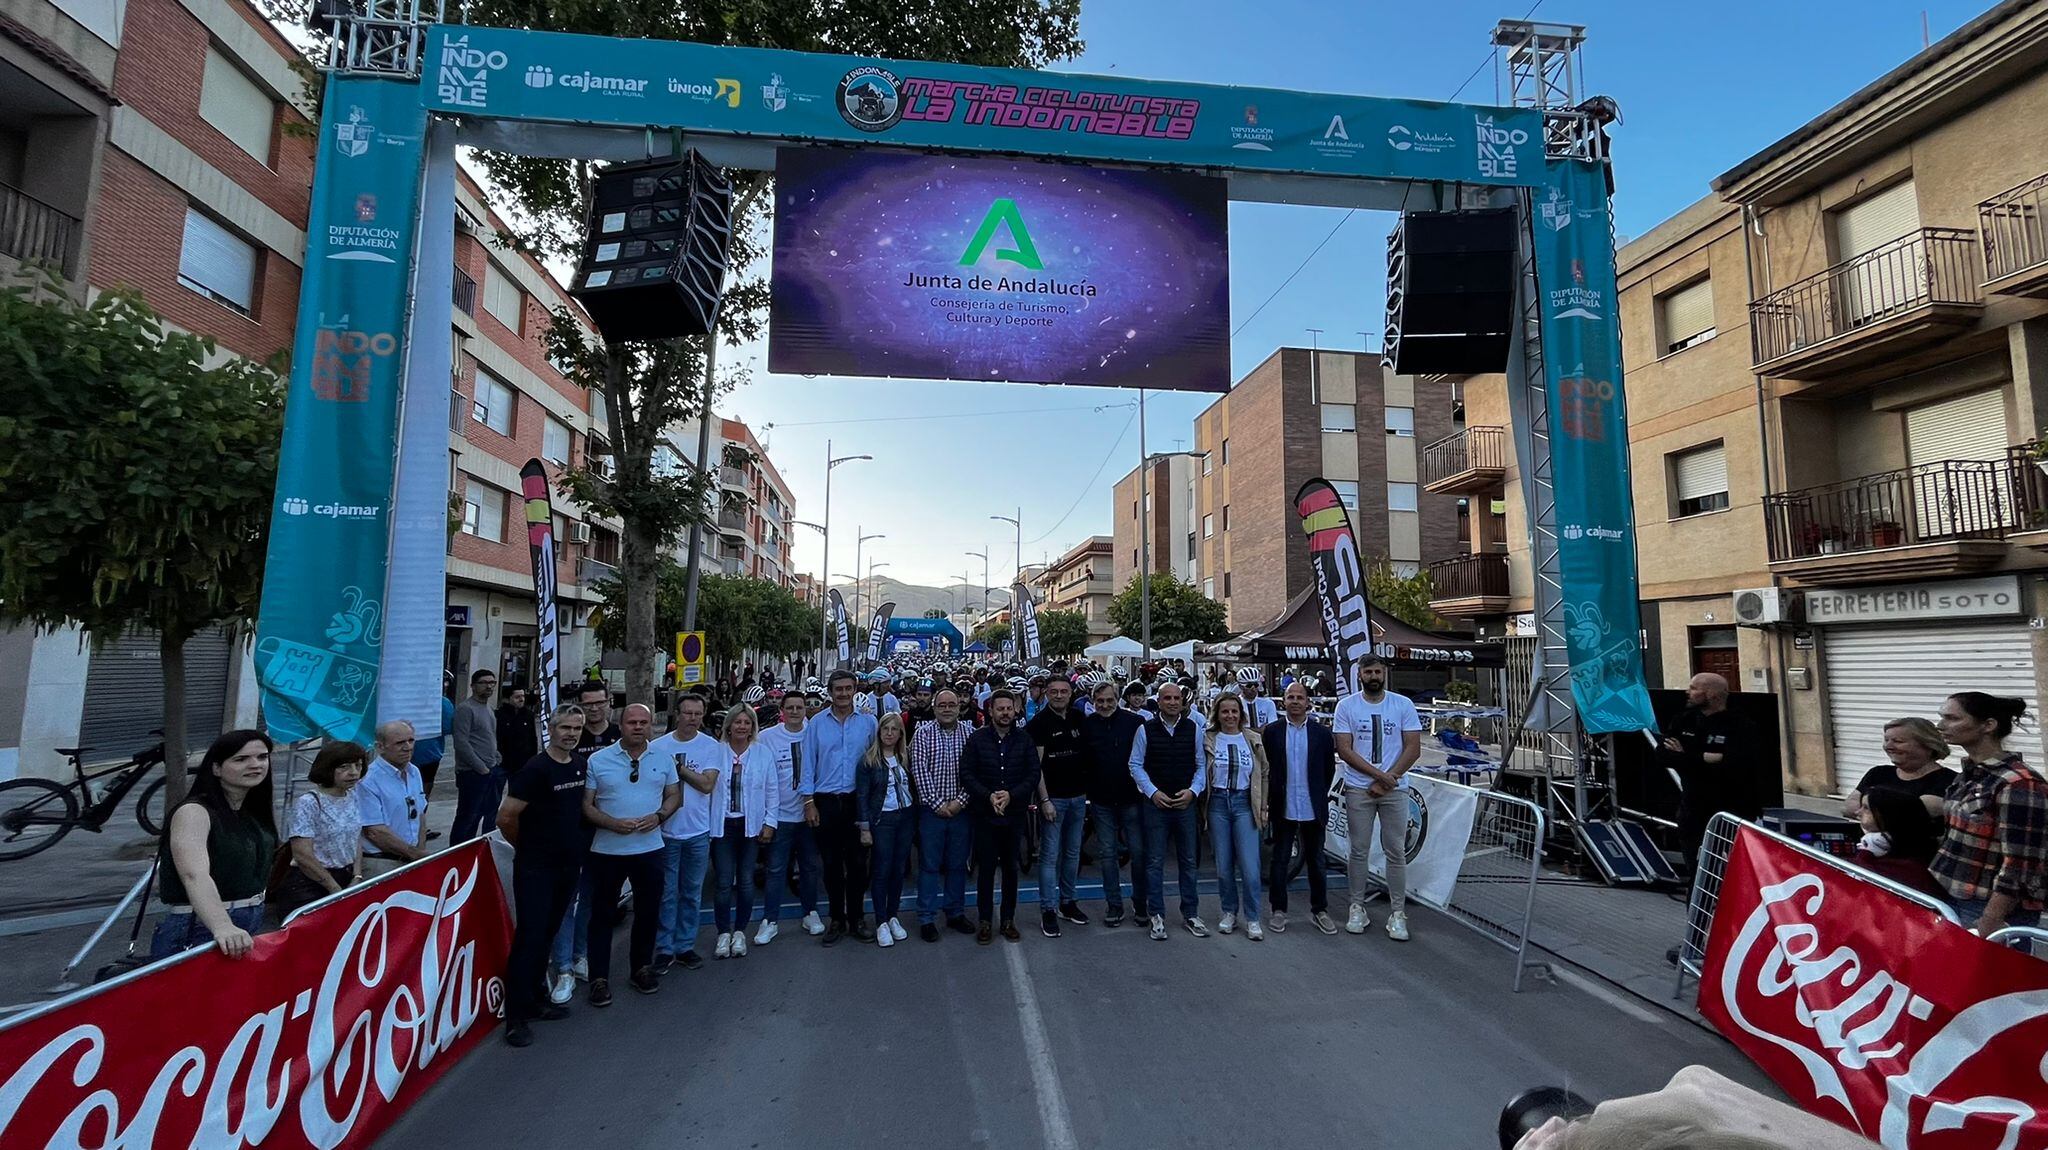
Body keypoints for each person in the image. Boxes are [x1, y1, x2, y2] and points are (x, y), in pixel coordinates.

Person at [498, 705, 591, 1047]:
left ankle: (535, 1001)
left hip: (568, 866)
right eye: (564, 727)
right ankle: (515, 1017)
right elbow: (506, 817)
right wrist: (529, 849)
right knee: (530, 938)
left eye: (576, 729)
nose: (570, 733)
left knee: (547, 935)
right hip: (537, 868)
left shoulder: (580, 766)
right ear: (551, 728)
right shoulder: (534, 769)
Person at [151, 730, 278, 959]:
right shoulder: (194, 812)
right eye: (241, 759)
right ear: (216, 768)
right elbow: (194, 874)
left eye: (262, 757)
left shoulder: (253, 812)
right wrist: (222, 925)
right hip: (200, 927)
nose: (255, 765)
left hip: (248, 921)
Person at [583, 703, 679, 1003]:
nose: (638, 727)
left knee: (648, 913)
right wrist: (611, 823)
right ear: (620, 724)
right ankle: (598, 978)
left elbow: (674, 794)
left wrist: (660, 816)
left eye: (643, 722)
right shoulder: (598, 760)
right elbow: (587, 804)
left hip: (649, 849)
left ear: (651, 725)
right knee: (601, 915)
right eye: (632, 722)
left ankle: (641, 968)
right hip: (607, 851)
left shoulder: (663, 758)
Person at [1931, 691, 2048, 934]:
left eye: (1952, 718)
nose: (1941, 725)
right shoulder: (1974, 773)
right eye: (1942, 717)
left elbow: (2021, 864)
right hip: (1952, 894)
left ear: (1988, 725)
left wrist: (1991, 919)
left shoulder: (2019, 783)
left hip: (1988, 907)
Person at [1332, 653, 1422, 942]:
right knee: (1358, 849)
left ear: (1385, 674)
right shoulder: (1346, 706)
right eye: (1368, 672)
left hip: (1395, 788)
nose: (1374, 677)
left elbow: (1413, 748)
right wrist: (1377, 776)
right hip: (1360, 787)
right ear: (1359, 675)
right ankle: (1357, 906)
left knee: (1395, 849)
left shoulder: (1402, 704)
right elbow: (1345, 750)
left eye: (1378, 672)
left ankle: (1398, 912)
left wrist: (1389, 778)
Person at [801, 669, 880, 945]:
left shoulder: (869, 722)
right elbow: (808, 763)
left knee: (858, 864)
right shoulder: (816, 724)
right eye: (838, 689)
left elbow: (875, 763)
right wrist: (809, 802)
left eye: (848, 689)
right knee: (832, 864)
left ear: (854, 690)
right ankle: (837, 918)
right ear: (830, 691)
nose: (843, 694)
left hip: (857, 802)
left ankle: (858, 917)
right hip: (826, 802)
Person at [1129, 681, 1209, 940]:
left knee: (1188, 861)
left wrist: (1193, 792)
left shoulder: (1194, 728)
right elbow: (1135, 764)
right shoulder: (1145, 729)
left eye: (1177, 698)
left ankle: (1191, 913)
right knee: (1154, 861)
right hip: (1156, 804)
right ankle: (1157, 915)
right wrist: (1153, 792)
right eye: (1168, 698)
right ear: (1159, 701)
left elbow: (1201, 765)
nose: (1173, 702)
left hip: (1185, 803)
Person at [960, 689, 1040, 943]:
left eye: (1009, 708)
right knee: (985, 870)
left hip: (1014, 815)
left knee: (1010, 868)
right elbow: (967, 773)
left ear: (1015, 710)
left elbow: (1032, 774)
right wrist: (989, 796)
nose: (1005, 713)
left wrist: (1011, 795)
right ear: (990, 711)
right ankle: (985, 920)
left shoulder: (1024, 739)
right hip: (984, 814)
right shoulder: (977, 739)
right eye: (1000, 708)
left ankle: (1008, 919)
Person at [652, 693, 722, 971]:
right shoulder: (657, 746)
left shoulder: (710, 746)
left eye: (697, 714)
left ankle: (685, 946)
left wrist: (677, 768)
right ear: (677, 714)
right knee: (667, 893)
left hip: (697, 831)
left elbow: (707, 785)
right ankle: (664, 948)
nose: (692, 719)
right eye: (687, 713)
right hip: (666, 832)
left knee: (692, 893)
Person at [1264, 681, 1339, 935]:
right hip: (1283, 805)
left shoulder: (1321, 734)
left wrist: (1317, 794)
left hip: (1312, 805)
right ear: (1283, 701)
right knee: (1280, 859)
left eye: (1299, 697)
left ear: (1308, 701)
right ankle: (1278, 910)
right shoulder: (1272, 732)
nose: (1295, 701)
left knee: (1317, 861)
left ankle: (1320, 910)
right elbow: (1269, 769)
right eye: (1290, 696)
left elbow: (1329, 769)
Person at [1660, 672, 1753, 873]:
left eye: (1694, 688)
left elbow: (1735, 763)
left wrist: (1686, 755)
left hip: (1731, 810)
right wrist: (1704, 757)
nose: (1688, 692)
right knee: (1697, 872)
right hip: (1692, 811)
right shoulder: (1684, 720)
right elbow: (1664, 756)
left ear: (1711, 694)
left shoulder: (1740, 724)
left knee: (1732, 872)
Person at [757, 690, 825, 943]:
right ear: (782, 711)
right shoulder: (766, 738)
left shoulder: (815, 732)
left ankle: (810, 912)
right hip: (780, 815)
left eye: (800, 707)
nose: (795, 711)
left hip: (808, 815)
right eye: (791, 707)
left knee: (809, 867)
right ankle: (769, 920)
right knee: (775, 869)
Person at [910, 688, 977, 942]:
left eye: (952, 704)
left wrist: (960, 802)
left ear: (959, 707)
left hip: (962, 811)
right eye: (942, 705)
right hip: (931, 811)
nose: (947, 708)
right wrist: (938, 804)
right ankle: (926, 917)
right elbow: (919, 770)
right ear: (935, 708)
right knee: (929, 866)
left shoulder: (970, 734)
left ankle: (955, 912)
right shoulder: (923, 733)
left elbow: (974, 772)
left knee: (957, 865)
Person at [711, 704, 776, 959]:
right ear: (729, 725)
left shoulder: (762, 754)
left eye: (746, 723)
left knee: (747, 881)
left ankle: (740, 932)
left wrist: (770, 822)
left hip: (751, 826)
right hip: (723, 826)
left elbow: (772, 790)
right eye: (737, 722)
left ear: (753, 727)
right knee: (724, 882)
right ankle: (723, 932)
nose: (741, 727)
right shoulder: (716, 753)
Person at [274, 741, 367, 919]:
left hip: (345, 878)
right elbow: (303, 855)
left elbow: (355, 839)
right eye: (344, 767)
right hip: (310, 885)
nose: (354, 772)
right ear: (328, 768)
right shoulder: (309, 802)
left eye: (358, 765)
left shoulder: (352, 795)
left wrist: (357, 875)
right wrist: (334, 889)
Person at [1027, 674, 1090, 937]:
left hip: (1078, 798)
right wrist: (1044, 800)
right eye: (1054, 692)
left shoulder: (1079, 718)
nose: (1059, 696)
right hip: (1054, 799)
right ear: (1047, 694)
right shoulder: (1039, 723)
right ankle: (1048, 909)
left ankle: (1067, 902)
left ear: (1071, 693)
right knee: (1050, 856)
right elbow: (1036, 767)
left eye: (1064, 691)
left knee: (1073, 854)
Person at [1084, 678, 1148, 928]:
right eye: (1100, 701)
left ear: (1117, 699)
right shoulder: (1087, 725)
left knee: (1139, 853)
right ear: (1093, 702)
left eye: (1109, 700)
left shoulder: (1136, 722)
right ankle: (1114, 905)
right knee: (1107, 854)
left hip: (1132, 798)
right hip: (1101, 800)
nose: (1105, 704)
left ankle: (1140, 902)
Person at [1205, 694, 1268, 939]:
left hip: (1244, 803)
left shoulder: (1252, 739)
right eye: (1225, 712)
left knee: (1251, 867)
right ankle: (1228, 911)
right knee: (1223, 866)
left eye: (1234, 711)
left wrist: (1263, 805)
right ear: (1217, 715)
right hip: (1218, 803)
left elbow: (1264, 773)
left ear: (1241, 714)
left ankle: (1252, 918)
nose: (1230, 716)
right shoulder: (1209, 739)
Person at [857, 712, 916, 947]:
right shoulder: (868, 761)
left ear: (901, 733)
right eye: (885, 729)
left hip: (906, 816)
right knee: (881, 869)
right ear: (879, 732)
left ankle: (893, 916)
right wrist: (864, 827)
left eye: (894, 729)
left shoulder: (905, 757)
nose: (889, 734)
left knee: (898, 868)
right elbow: (862, 796)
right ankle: (880, 920)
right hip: (883, 819)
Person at [1841, 717, 1956, 818]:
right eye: (1886, 740)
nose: (1888, 746)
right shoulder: (1878, 773)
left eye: (1898, 741)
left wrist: (1868, 812)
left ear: (1928, 745)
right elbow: (1849, 806)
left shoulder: (1949, 780)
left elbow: (1914, 811)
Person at [357, 720, 428, 875]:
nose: (408, 747)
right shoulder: (368, 780)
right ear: (380, 747)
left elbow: (420, 814)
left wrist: (420, 851)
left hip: (412, 859)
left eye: (411, 740)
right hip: (382, 863)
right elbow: (374, 831)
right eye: (399, 743)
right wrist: (415, 854)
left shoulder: (414, 772)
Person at [1851, 787, 1945, 898]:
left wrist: (1866, 854)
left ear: (1888, 815)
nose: (1858, 812)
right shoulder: (1879, 853)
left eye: (1866, 808)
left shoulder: (1911, 869)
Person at [451, 669, 504, 842]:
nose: (489, 686)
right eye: (484, 682)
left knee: (484, 814)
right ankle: (457, 855)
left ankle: (471, 852)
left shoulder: (487, 707)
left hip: (490, 770)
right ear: (473, 686)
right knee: (467, 818)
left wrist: (495, 757)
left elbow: (488, 736)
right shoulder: (466, 709)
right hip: (472, 773)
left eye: (492, 682)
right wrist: (481, 768)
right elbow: (461, 743)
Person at [413, 678, 452, 798]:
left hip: (405, 751)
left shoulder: (406, 700)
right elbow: (448, 727)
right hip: (430, 752)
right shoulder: (442, 702)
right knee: (424, 790)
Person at [496, 685, 539, 777]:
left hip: (522, 762)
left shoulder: (528, 715)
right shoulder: (499, 715)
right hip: (502, 761)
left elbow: (532, 738)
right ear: (508, 698)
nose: (521, 699)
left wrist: (532, 759)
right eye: (517, 697)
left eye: (523, 696)